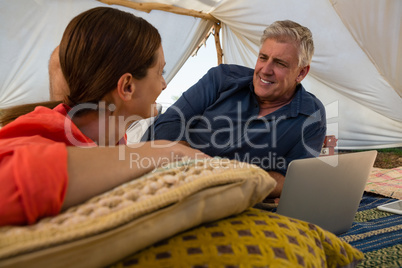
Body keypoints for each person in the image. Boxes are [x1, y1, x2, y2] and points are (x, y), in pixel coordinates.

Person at [0, 7, 207, 226]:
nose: (164, 85)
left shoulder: (114, 141)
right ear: (127, 87)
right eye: (160, 73)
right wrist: (167, 150)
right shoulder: (46, 127)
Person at [147, 20, 327, 198]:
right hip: (175, 181)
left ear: (301, 73)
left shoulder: (312, 115)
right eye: (263, 58)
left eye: (280, 63)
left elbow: (290, 177)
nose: (265, 70)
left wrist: (228, 178)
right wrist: (193, 163)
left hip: (239, 200)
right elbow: (170, 121)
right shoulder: (222, 78)